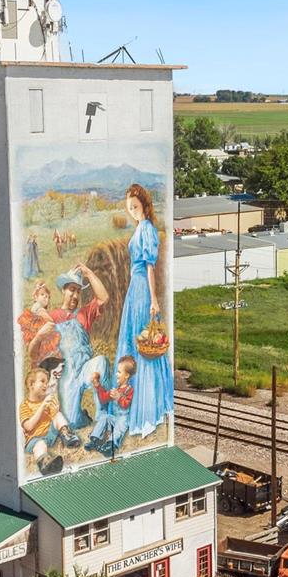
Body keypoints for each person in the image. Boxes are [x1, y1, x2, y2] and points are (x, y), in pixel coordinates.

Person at [116, 184, 173, 437]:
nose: (133, 212)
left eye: (136, 207)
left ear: (145, 205)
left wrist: (153, 299)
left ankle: (147, 409)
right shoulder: (139, 227)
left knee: (143, 346)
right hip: (134, 287)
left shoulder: (147, 229)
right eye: (130, 208)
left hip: (142, 289)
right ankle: (134, 403)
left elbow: (150, 267)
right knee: (136, 341)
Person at [28, 262, 109, 430]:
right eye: (72, 289)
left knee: (101, 362)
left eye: (78, 291)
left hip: (85, 367)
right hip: (66, 375)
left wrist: (88, 272)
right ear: (63, 290)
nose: (75, 295)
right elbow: (32, 354)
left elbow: (103, 298)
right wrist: (39, 336)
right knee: (71, 422)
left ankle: (103, 418)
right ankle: (83, 417)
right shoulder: (51, 316)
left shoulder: (83, 314)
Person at [18, 362, 80, 475]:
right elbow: (28, 426)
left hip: (49, 435)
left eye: (46, 382)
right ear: (31, 385)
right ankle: (45, 463)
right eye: (42, 381)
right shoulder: (25, 405)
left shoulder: (46, 400)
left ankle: (67, 436)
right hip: (34, 438)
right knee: (40, 445)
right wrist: (42, 407)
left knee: (58, 415)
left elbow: (54, 418)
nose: (45, 385)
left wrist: (55, 409)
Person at [87, 355, 136, 458]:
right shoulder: (116, 390)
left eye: (119, 372)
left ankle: (111, 445)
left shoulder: (129, 390)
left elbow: (126, 404)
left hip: (124, 419)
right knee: (105, 417)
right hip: (115, 418)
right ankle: (95, 439)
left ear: (126, 375)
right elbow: (103, 398)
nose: (116, 374)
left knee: (120, 425)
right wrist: (98, 386)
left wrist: (119, 398)